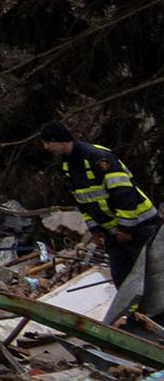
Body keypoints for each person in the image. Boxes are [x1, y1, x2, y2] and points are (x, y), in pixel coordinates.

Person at [34, 124, 159, 323]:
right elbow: (84, 201)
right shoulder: (68, 165)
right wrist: (96, 229)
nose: (46, 147)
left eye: (48, 142)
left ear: (60, 140)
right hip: (113, 232)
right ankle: (137, 320)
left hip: (141, 226)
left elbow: (124, 193)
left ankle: (157, 320)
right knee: (122, 279)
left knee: (150, 279)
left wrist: (126, 227)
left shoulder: (98, 158)